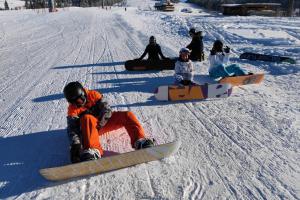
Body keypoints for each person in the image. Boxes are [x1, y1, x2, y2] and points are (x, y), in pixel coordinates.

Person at [63, 81, 154, 163]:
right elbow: (72, 129)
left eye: (81, 99)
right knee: (87, 118)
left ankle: (139, 140)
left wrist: (103, 120)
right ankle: (93, 150)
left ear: (84, 93)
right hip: (89, 130)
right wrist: (76, 145)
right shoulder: (72, 109)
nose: (80, 103)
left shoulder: (94, 95)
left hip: (103, 123)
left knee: (127, 115)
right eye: (75, 103)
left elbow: (107, 109)